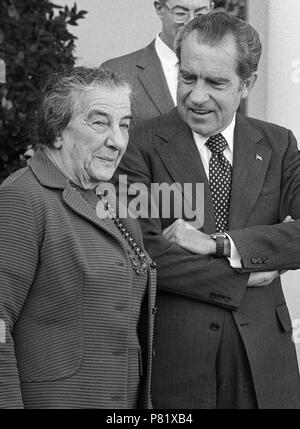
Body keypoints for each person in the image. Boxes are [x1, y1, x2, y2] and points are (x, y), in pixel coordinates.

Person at [114, 11, 300, 408]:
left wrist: (220, 245)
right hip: (177, 360)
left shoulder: (279, 143)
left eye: (215, 83)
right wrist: (243, 276)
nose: (197, 96)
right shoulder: (139, 143)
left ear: (246, 84)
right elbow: (141, 249)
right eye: (188, 77)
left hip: (265, 358)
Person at [0, 67, 156, 409]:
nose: (117, 140)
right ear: (56, 131)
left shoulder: (111, 200)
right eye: (100, 122)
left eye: (125, 125)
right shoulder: (22, 198)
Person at [102, 0, 214, 121]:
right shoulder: (117, 71)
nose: (191, 22)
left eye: (200, 14)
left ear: (211, 9)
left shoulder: (227, 68)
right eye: (180, 13)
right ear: (160, 9)